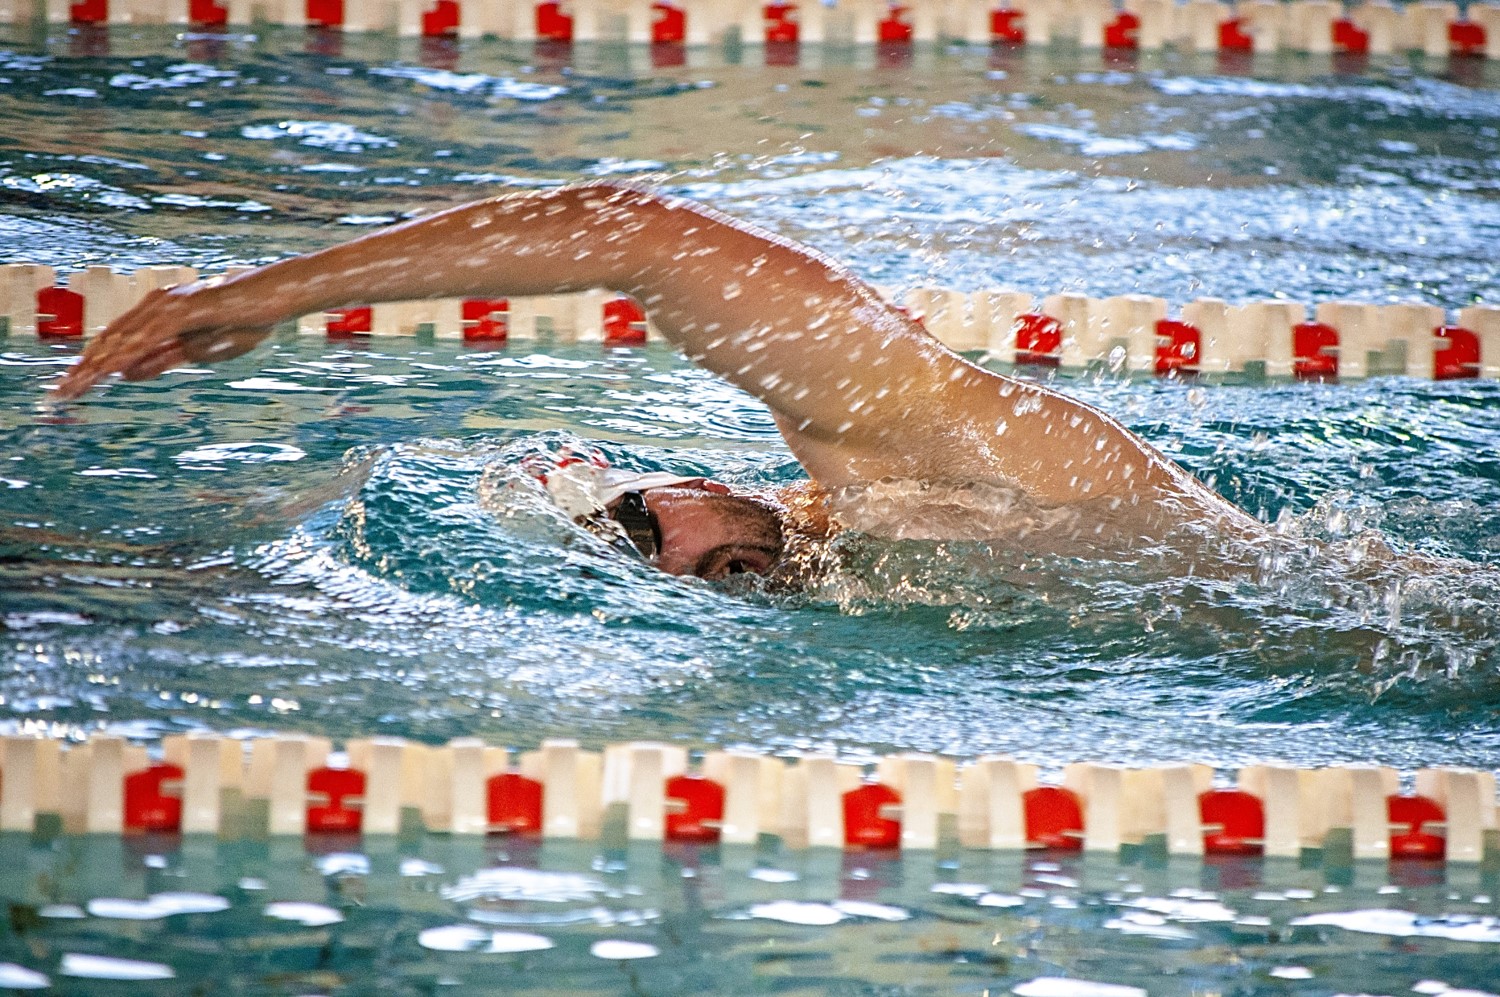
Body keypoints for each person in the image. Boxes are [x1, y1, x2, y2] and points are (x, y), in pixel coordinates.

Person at [53, 181, 1263, 580]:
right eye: (642, 568)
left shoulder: (895, 441)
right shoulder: (873, 584)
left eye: (639, 517)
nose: (669, 555)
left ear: (690, 476)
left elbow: (635, 235)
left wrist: (247, 300)